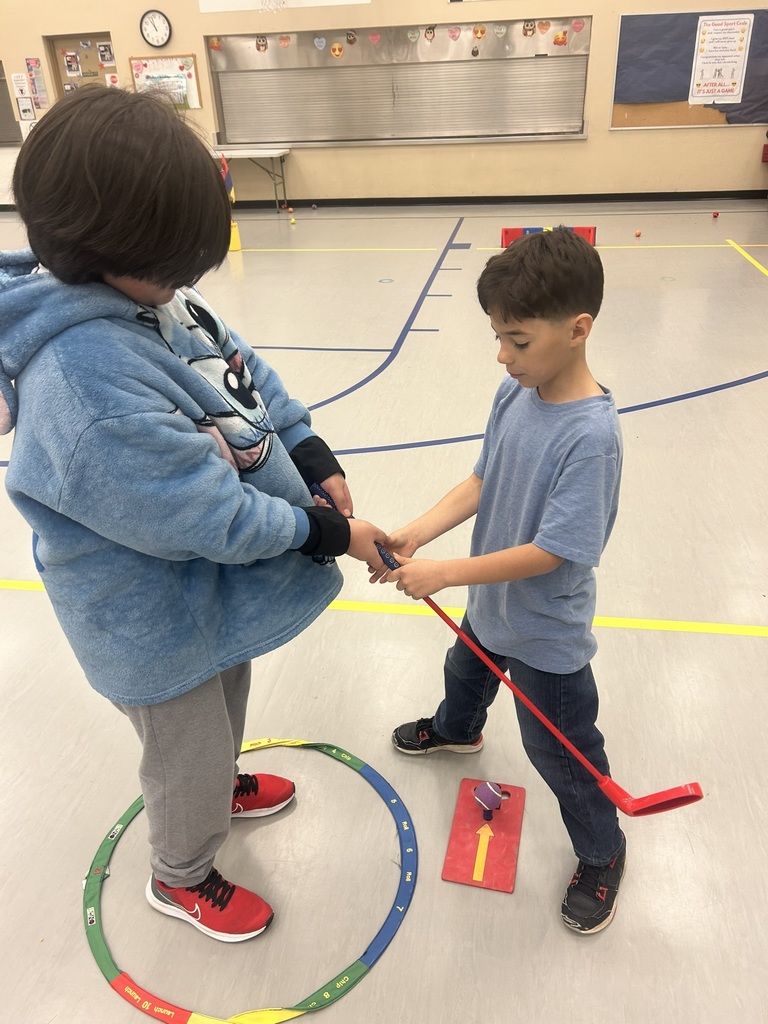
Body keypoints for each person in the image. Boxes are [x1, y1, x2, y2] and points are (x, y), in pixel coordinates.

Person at [0, 85, 388, 943]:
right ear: (94, 247)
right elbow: (204, 516)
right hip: (145, 616)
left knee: (228, 696)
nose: (185, 286)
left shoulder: (156, 294)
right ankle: (180, 874)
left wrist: (310, 453)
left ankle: (222, 782)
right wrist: (326, 533)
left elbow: (241, 369)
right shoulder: (84, 384)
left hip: (205, 594)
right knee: (187, 744)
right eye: (170, 265)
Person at [378, 228, 626, 934]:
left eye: (517, 339)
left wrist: (446, 574)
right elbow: (483, 480)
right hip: (493, 607)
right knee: (467, 672)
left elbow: (554, 552)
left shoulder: (591, 436)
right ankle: (457, 731)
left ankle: (603, 851)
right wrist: (419, 533)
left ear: (578, 330)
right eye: (497, 336)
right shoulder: (515, 394)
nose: (501, 354)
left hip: (546, 631)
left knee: (562, 749)